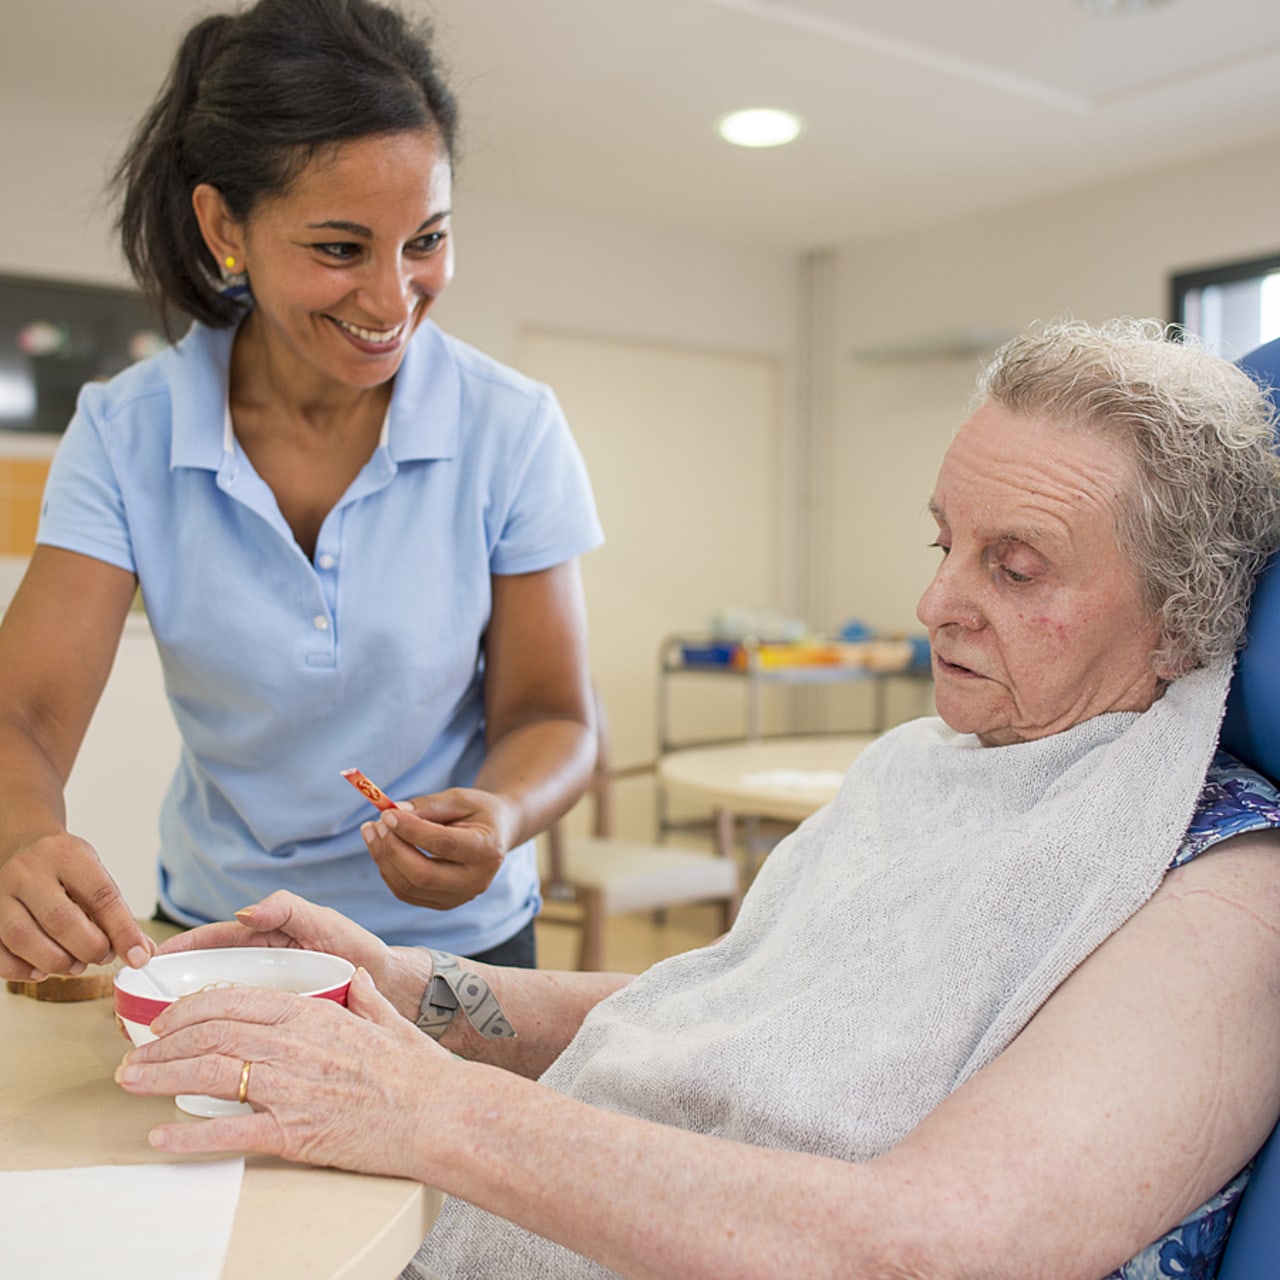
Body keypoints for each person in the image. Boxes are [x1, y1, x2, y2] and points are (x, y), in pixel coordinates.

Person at [115, 319, 1280, 1280]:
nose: (934, 602)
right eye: (943, 544)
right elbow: (730, 1007)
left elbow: (931, 1244)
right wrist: (415, 989)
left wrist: (435, 1109)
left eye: (1013, 567)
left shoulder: (1222, 899)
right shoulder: (924, 764)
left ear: (1181, 619)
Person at [0, 0, 602, 981]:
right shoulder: (126, 431)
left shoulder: (512, 426)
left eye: (426, 239)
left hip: (458, 951)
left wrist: (502, 812)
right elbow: (21, 714)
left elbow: (553, 716)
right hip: (229, 932)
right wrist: (25, 842)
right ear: (223, 225)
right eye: (339, 248)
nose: (392, 298)